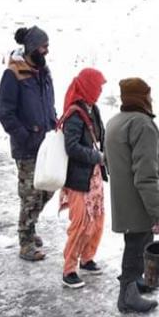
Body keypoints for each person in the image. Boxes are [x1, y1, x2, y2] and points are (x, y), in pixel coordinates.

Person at [105, 77, 159, 314]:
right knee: (137, 246)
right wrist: (158, 212)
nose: (151, 99)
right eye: (148, 95)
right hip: (138, 201)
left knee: (135, 243)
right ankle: (127, 296)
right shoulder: (142, 125)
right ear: (142, 98)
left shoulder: (116, 121)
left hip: (123, 198)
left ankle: (134, 283)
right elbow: (146, 174)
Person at [0, 26, 56, 261]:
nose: (47, 51)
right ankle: (26, 241)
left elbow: (47, 103)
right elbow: (5, 112)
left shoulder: (43, 72)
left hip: (47, 144)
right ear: (32, 48)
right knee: (30, 194)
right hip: (27, 146)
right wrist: (24, 135)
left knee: (48, 188)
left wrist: (54, 122)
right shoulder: (13, 74)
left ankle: (29, 226)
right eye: (44, 46)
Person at [59, 68, 107, 289]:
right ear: (88, 87)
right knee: (80, 223)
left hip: (93, 176)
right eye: (97, 86)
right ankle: (69, 269)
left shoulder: (92, 108)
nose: (99, 91)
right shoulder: (75, 113)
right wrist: (96, 156)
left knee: (96, 219)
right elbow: (71, 147)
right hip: (79, 178)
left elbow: (100, 136)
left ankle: (87, 258)